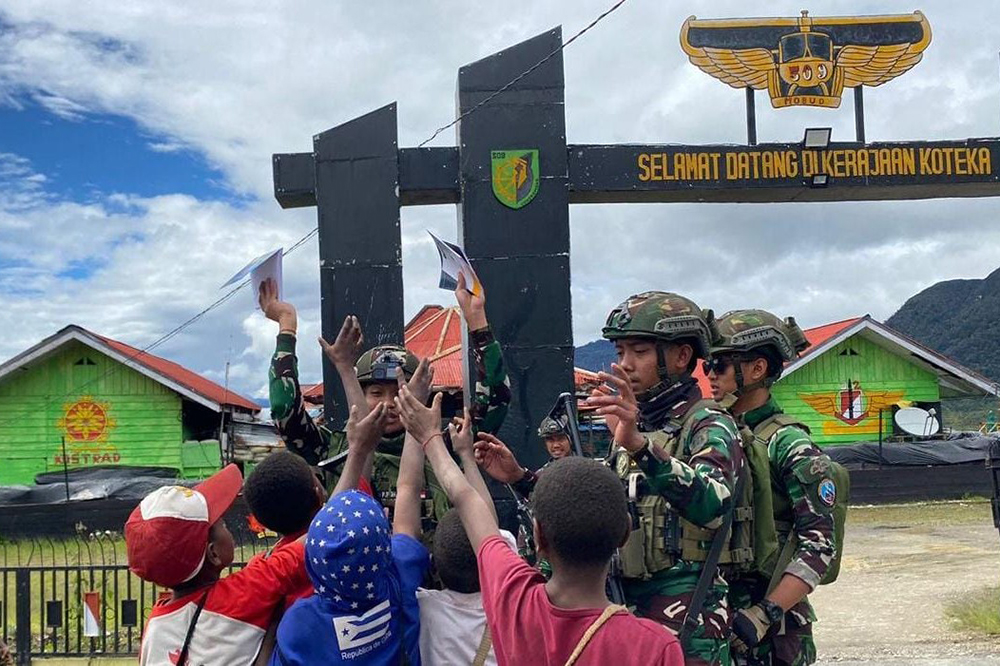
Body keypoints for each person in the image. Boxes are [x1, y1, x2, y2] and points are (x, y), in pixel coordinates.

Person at [395, 382, 684, 666]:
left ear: (538, 535)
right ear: (624, 534)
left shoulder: (515, 601)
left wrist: (431, 438)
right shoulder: (656, 646)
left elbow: (467, 501)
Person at [259, 273, 510, 519]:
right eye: (376, 393)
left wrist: (477, 321)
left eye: (400, 392)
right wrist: (286, 327)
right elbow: (285, 413)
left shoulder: (446, 446)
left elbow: (496, 398)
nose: (389, 404)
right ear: (359, 393)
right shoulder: (334, 449)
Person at [586, 291, 742, 666]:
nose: (625, 365)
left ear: (681, 356)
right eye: (620, 352)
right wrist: (522, 477)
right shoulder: (635, 426)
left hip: (690, 620)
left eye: (638, 352)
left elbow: (714, 505)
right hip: (626, 606)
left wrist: (639, 446)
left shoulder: (709, 423)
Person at [705, 310, 837, 666]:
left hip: (772, 634)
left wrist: (765, 614)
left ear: (757, 369)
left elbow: (819, 545)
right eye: (707, 367)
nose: (710, 376)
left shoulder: (788, 443)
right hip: (717, 618)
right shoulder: (714, 439)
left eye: (719, 365)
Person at [269, 394, 430, 665]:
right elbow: (408, 489)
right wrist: (416, 416)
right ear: (385, 546)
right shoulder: (400, 578)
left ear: (311, 559)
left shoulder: (298, 626)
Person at [125, 465, 309, 665]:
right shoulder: (242, 595)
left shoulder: (155, 629)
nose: (226, 525)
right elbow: (324, 532)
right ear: (213, 553)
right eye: (222, 523)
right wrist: (350, 451)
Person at [415, 408, 517, 666]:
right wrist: (466, 456)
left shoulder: (425, 607)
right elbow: (486, 528)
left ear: (434, 565)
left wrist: (419, 436)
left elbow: (407, 489)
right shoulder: (510, 603)